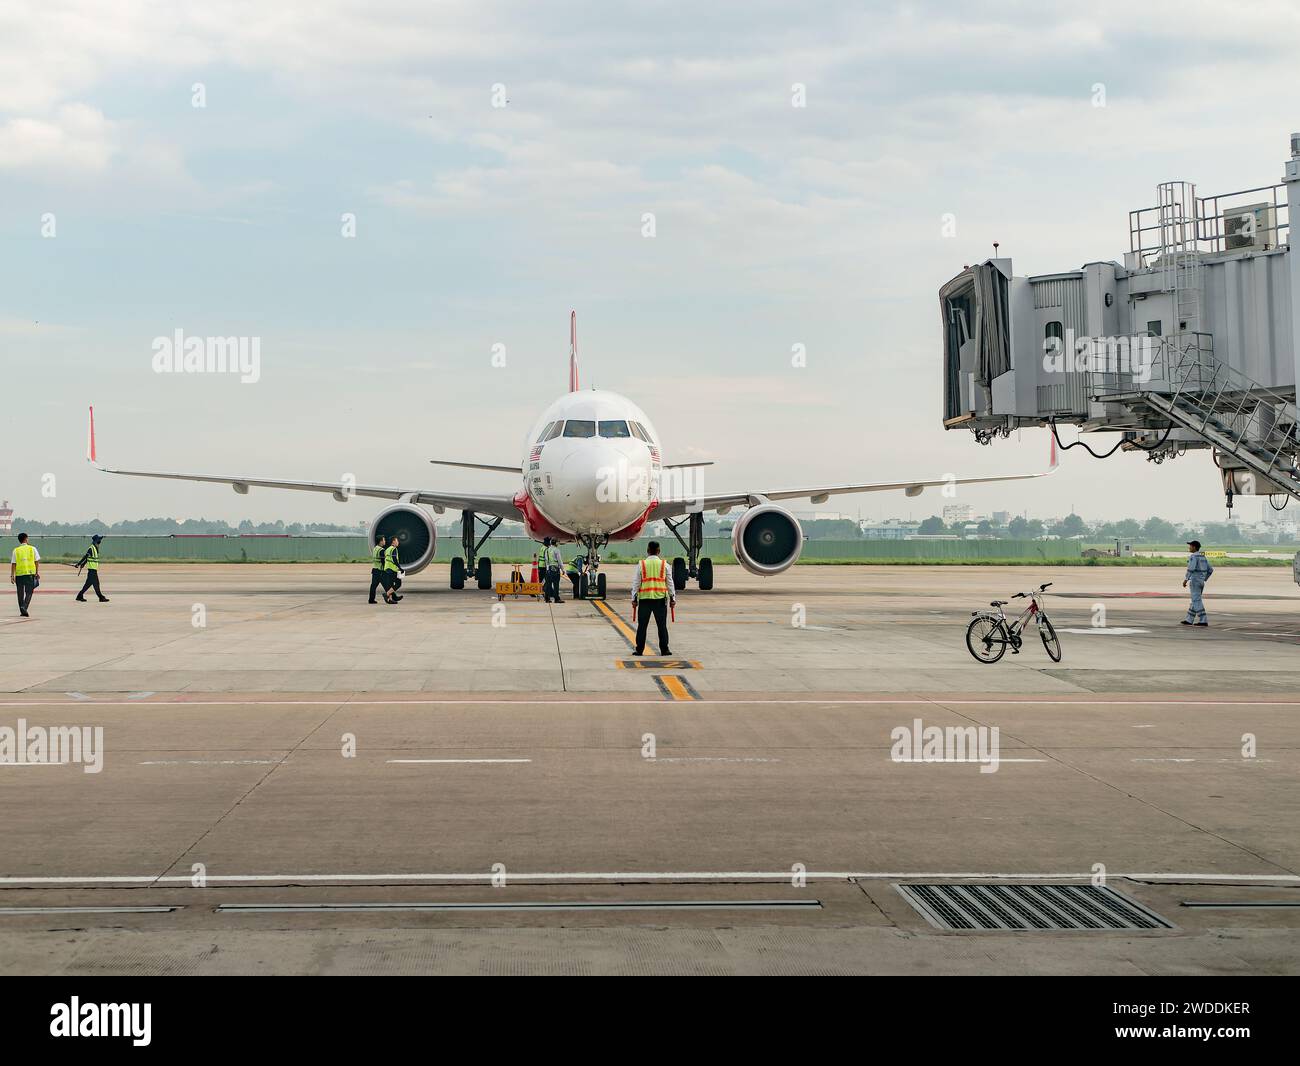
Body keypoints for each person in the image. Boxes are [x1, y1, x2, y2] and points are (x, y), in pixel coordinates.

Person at [631, 540, 675, 656]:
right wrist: (673, 598)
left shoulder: (642, 564)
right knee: (662, 626)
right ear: (659, 551)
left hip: (645, 600)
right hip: (660, 601)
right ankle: (664, 650)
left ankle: (639, 650)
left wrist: (634, 598)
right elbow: (670, 583)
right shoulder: (665, 565)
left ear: (648, 551)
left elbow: (636, 583)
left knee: (642, 626)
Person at [1181, 539, 1213, 627]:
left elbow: (1191, 568)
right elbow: (1210, 570)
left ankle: (1203, 620)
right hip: (1201, 582)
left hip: (1195, 581)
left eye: (1190, 546)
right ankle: (1189, 619)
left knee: (1196, 600)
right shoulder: (1203, 557)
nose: (1189, 547)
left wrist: (1186, 579)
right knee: (1194, 600)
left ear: (1194, 547)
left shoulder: (1193, 557)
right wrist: (1204, 578)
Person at [9, 532, 39, 617]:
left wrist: (12, 576)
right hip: (30, 574)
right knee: (29, 592)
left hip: (19, 575)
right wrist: (37, 572)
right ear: (26, 539)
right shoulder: (32, 549)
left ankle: (22, 609)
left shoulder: (16, 550)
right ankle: (24, 607)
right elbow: (36, 561)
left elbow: (13, 564)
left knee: (20, 593)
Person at [74, 534, 109, 603]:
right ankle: (101, 597)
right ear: (96, 541)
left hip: (93, 570)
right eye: (99, 540)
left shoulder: (95, 548)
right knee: (95, 584)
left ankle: (80, 596)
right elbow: (85, 556)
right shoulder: (91, 548)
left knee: (89, 584)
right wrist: (79, 563)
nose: (100, 541)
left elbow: (88, 558)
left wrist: (83, 564)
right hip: (92, 570)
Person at [541, 537, 564, 604]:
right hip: (555, 569)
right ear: (556, 543)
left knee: (548, 584)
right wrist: (562, 569)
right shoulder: (556, 550)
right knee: (556, 584)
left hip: (549, 569)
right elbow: (559, 560)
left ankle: (547, 598)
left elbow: (546, 560)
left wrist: (548, 569)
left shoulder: (547, 550)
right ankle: (556, 599)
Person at [383, 536, 403, 603]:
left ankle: (390, 599)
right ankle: (387, 594)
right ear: (393, 541)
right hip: (392, 569)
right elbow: (394, 559)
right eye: (397, 541)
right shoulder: (394, 549)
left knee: (390, 585)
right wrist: (400, 568)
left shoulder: (387, 549)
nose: (398, 542)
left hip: (387, 568)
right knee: (398, 583)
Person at [368, 535, 387, 604]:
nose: (385, 541)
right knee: (387, 585)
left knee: (373, 586)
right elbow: (383, 561)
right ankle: (392, 598)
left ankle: (371, 599)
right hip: (380, 570)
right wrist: (386, 570)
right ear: (381, 541)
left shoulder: (375, 548)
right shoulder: (381, 550)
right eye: (384, 540)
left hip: (375, 569)